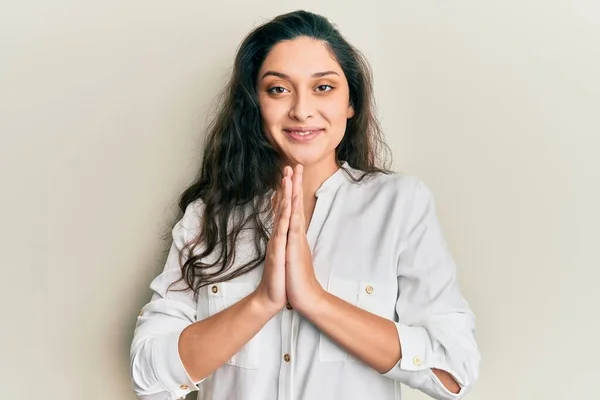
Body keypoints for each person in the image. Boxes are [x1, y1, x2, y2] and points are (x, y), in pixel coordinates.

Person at [130, 10, 480, 400]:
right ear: (254, 104)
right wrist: (262, 302)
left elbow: (454, 372)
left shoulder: (400, 204)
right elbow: (149, 378)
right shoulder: (208, 215)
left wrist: (314, 299)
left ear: (351, 102)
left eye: (324, 87)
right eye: (278, 89)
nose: (301, 109)